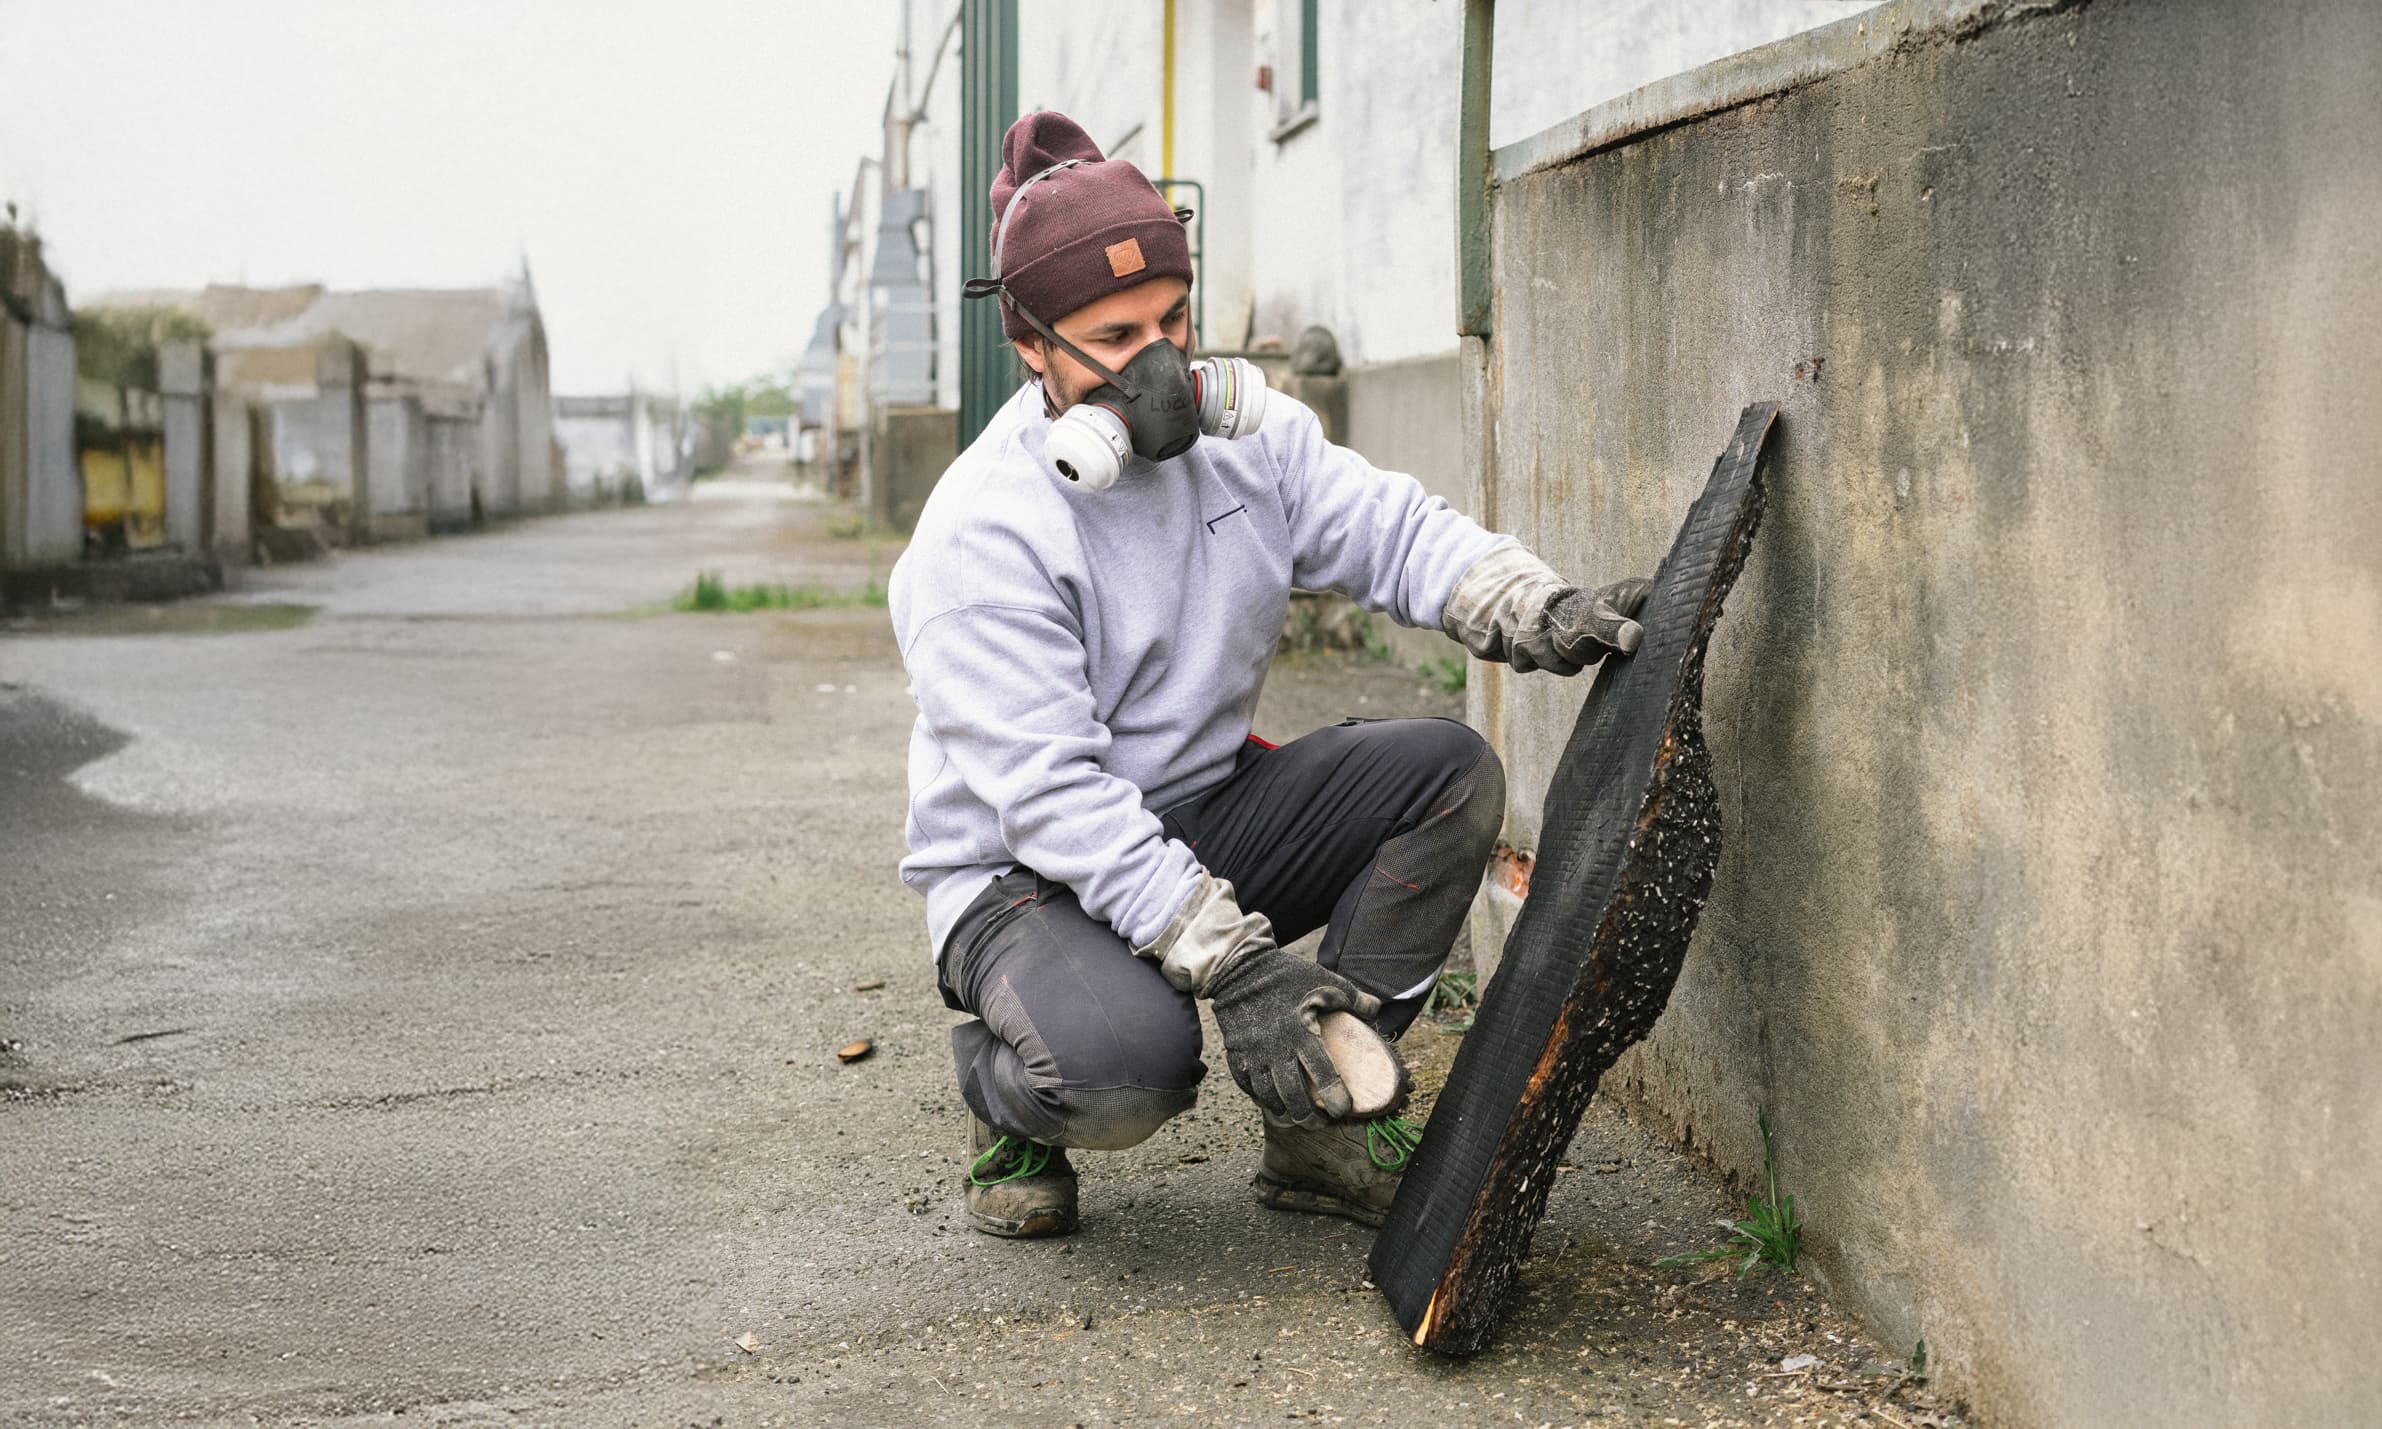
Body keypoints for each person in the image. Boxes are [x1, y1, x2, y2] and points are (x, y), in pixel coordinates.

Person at [888, 112, 1650, 1239]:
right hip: (1024, 876)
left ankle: (1322, 1118)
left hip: (1198, 815)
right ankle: (1011, 1095)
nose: (1160, 365)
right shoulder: (980, 538)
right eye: (1116, 333)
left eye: (1174, 319)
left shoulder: (1248, 438)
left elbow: (1390, 531)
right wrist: (1237, 971)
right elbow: (1051, 798)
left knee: (1445, 776)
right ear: (1034, 343)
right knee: (1126, 1068)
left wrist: (1534, 604)